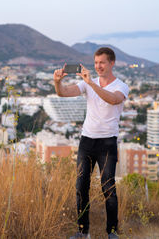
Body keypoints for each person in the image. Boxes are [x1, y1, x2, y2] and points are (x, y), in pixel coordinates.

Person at [53, 47, 129, 239]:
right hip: (87, 141)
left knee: (108, 187)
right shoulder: (88, 83)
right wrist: (57, 82)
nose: (98, 66)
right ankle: (83, 231)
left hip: (107, 143)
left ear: (112, 63)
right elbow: (63, 93)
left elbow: (113, 100)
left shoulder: (121, 86)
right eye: (96, 63)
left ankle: (112, 232)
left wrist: (91, 84)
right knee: (81, 186)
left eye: (102, 62)